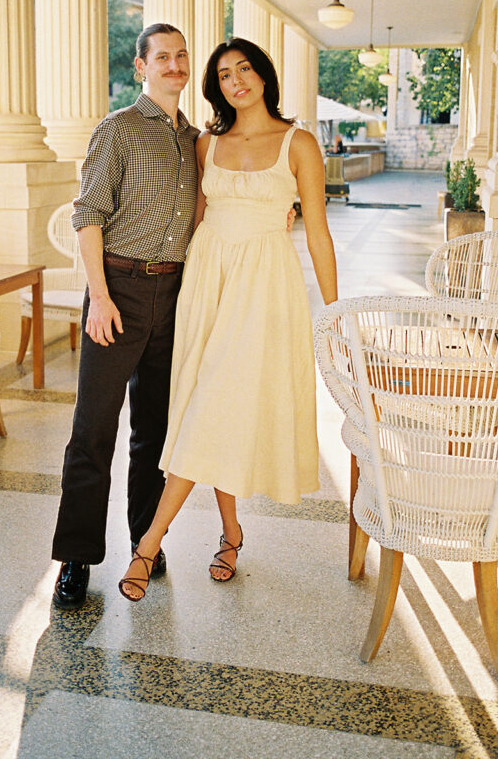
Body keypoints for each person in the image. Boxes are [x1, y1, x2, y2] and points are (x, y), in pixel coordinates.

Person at [118, 37, 338, 601]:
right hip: (206, 281)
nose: (236, 80)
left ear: (263, 75)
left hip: (264, 286)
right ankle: (231, 532)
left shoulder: (299, 144)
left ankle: (147, 544)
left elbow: (315, 230)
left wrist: (336, 315)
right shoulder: (206, 144)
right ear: (216, 85)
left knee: (215, 404)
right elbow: (191, 218)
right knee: (207, 403)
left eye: (245, 69)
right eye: (224, 74)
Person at [51, 22, 199, 610]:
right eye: (161, 56)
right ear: (141, 66)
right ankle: (76, 558)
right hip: (121, 291)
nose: (173, 64)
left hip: (175, 295)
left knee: (154, 432)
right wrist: (101, 296)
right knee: (93, 431)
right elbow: (87, 215)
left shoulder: (196, 138)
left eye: (181, 55)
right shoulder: (118, 129)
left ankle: (146, 542)